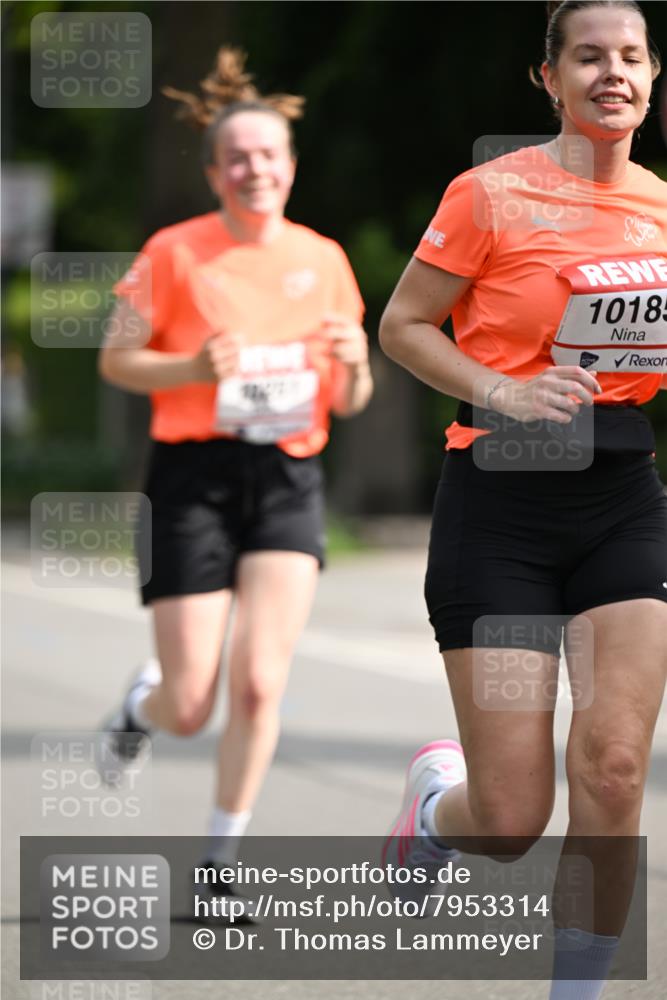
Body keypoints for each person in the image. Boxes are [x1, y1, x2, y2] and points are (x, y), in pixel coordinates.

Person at [380, 2, 665, 997]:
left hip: (622, 499)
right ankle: (433, 805)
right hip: (499, 504)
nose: (611, 73)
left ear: (653, 75)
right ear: (548, 79)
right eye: (587, 57)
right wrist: (502, 389)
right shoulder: (489, 195)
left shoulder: (664, 209)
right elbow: (404, 324)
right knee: (508, 818)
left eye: (630, 56)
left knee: (616, 768)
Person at [97, 47, 372, 907]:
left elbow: (352, 397)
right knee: (191, 703)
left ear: (290, 167)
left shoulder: (323, 257)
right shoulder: (173, 252)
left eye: (270, 155)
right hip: (192, 476)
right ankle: (141, 709)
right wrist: (190, 371)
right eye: (239, 157)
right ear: (216, 170)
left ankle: (220, 865)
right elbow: (115, 360)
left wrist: (357, 362)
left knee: (258, 682)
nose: (256, 168)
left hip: (288, 473)